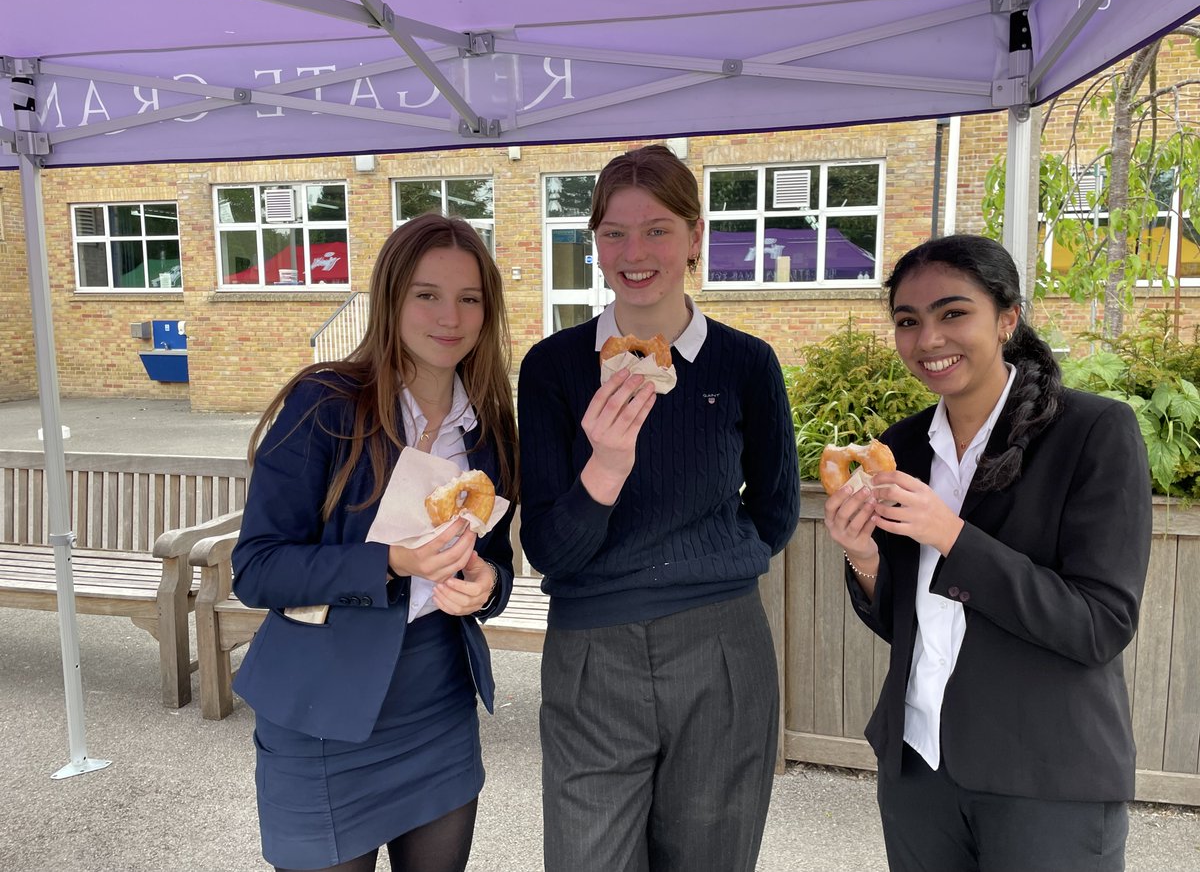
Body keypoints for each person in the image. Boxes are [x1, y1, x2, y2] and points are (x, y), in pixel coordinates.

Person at [823, 234, 1152, 872]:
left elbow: (1099, 625)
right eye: (908, 322)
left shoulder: (1093, 433)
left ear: (1007, 318)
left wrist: (952, 536)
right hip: (918, 767)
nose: (928, 340)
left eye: (953, 313)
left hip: (1046, 778)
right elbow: (903, 620)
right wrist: (863, 557)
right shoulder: (902, 446)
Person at [517, 144, 800, 872]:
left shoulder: (746, 364)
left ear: (695, 236)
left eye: (657, 229)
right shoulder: (553, 368)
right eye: (613, 232)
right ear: (594, 244)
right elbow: (549, 547)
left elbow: (775, 509)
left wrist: (709, 571)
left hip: (720, 643)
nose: (633, 252)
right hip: (591, 650)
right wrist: (606, 467)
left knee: (712, 855)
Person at [229, 213, 519, 872]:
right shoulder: (325, 403)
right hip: (321, 709)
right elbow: (258, 568)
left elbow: (494, 564)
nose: (451, 316)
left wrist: (487, 586)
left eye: (469, 298)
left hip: (436, 704)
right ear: (390, 299)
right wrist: (391, 561)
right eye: (427, 294)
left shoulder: (491, 429)